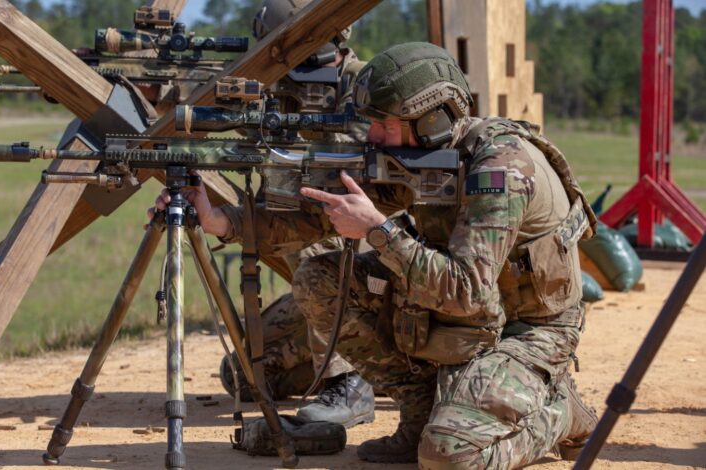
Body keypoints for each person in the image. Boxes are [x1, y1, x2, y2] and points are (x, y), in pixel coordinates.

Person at [152, 42, 599, 467]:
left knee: (450, 457)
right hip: (473, 318)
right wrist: (222, 220)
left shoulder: (500, 170)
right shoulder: (420, 155)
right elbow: (313, 218)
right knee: (319, 278)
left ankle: (561, 414)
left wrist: (379, 231)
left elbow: (468, 291)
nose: (372, 135)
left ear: (432, 121)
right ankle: (419, 409)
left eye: (384, 123)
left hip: (530, 330)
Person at [217, 0, 377, 429]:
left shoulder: (368, 85)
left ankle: (349, 380)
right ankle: (381, 364)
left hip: (370, 258)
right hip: (313, 260)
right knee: (245, 374)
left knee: (318, 249)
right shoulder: (268, 88)